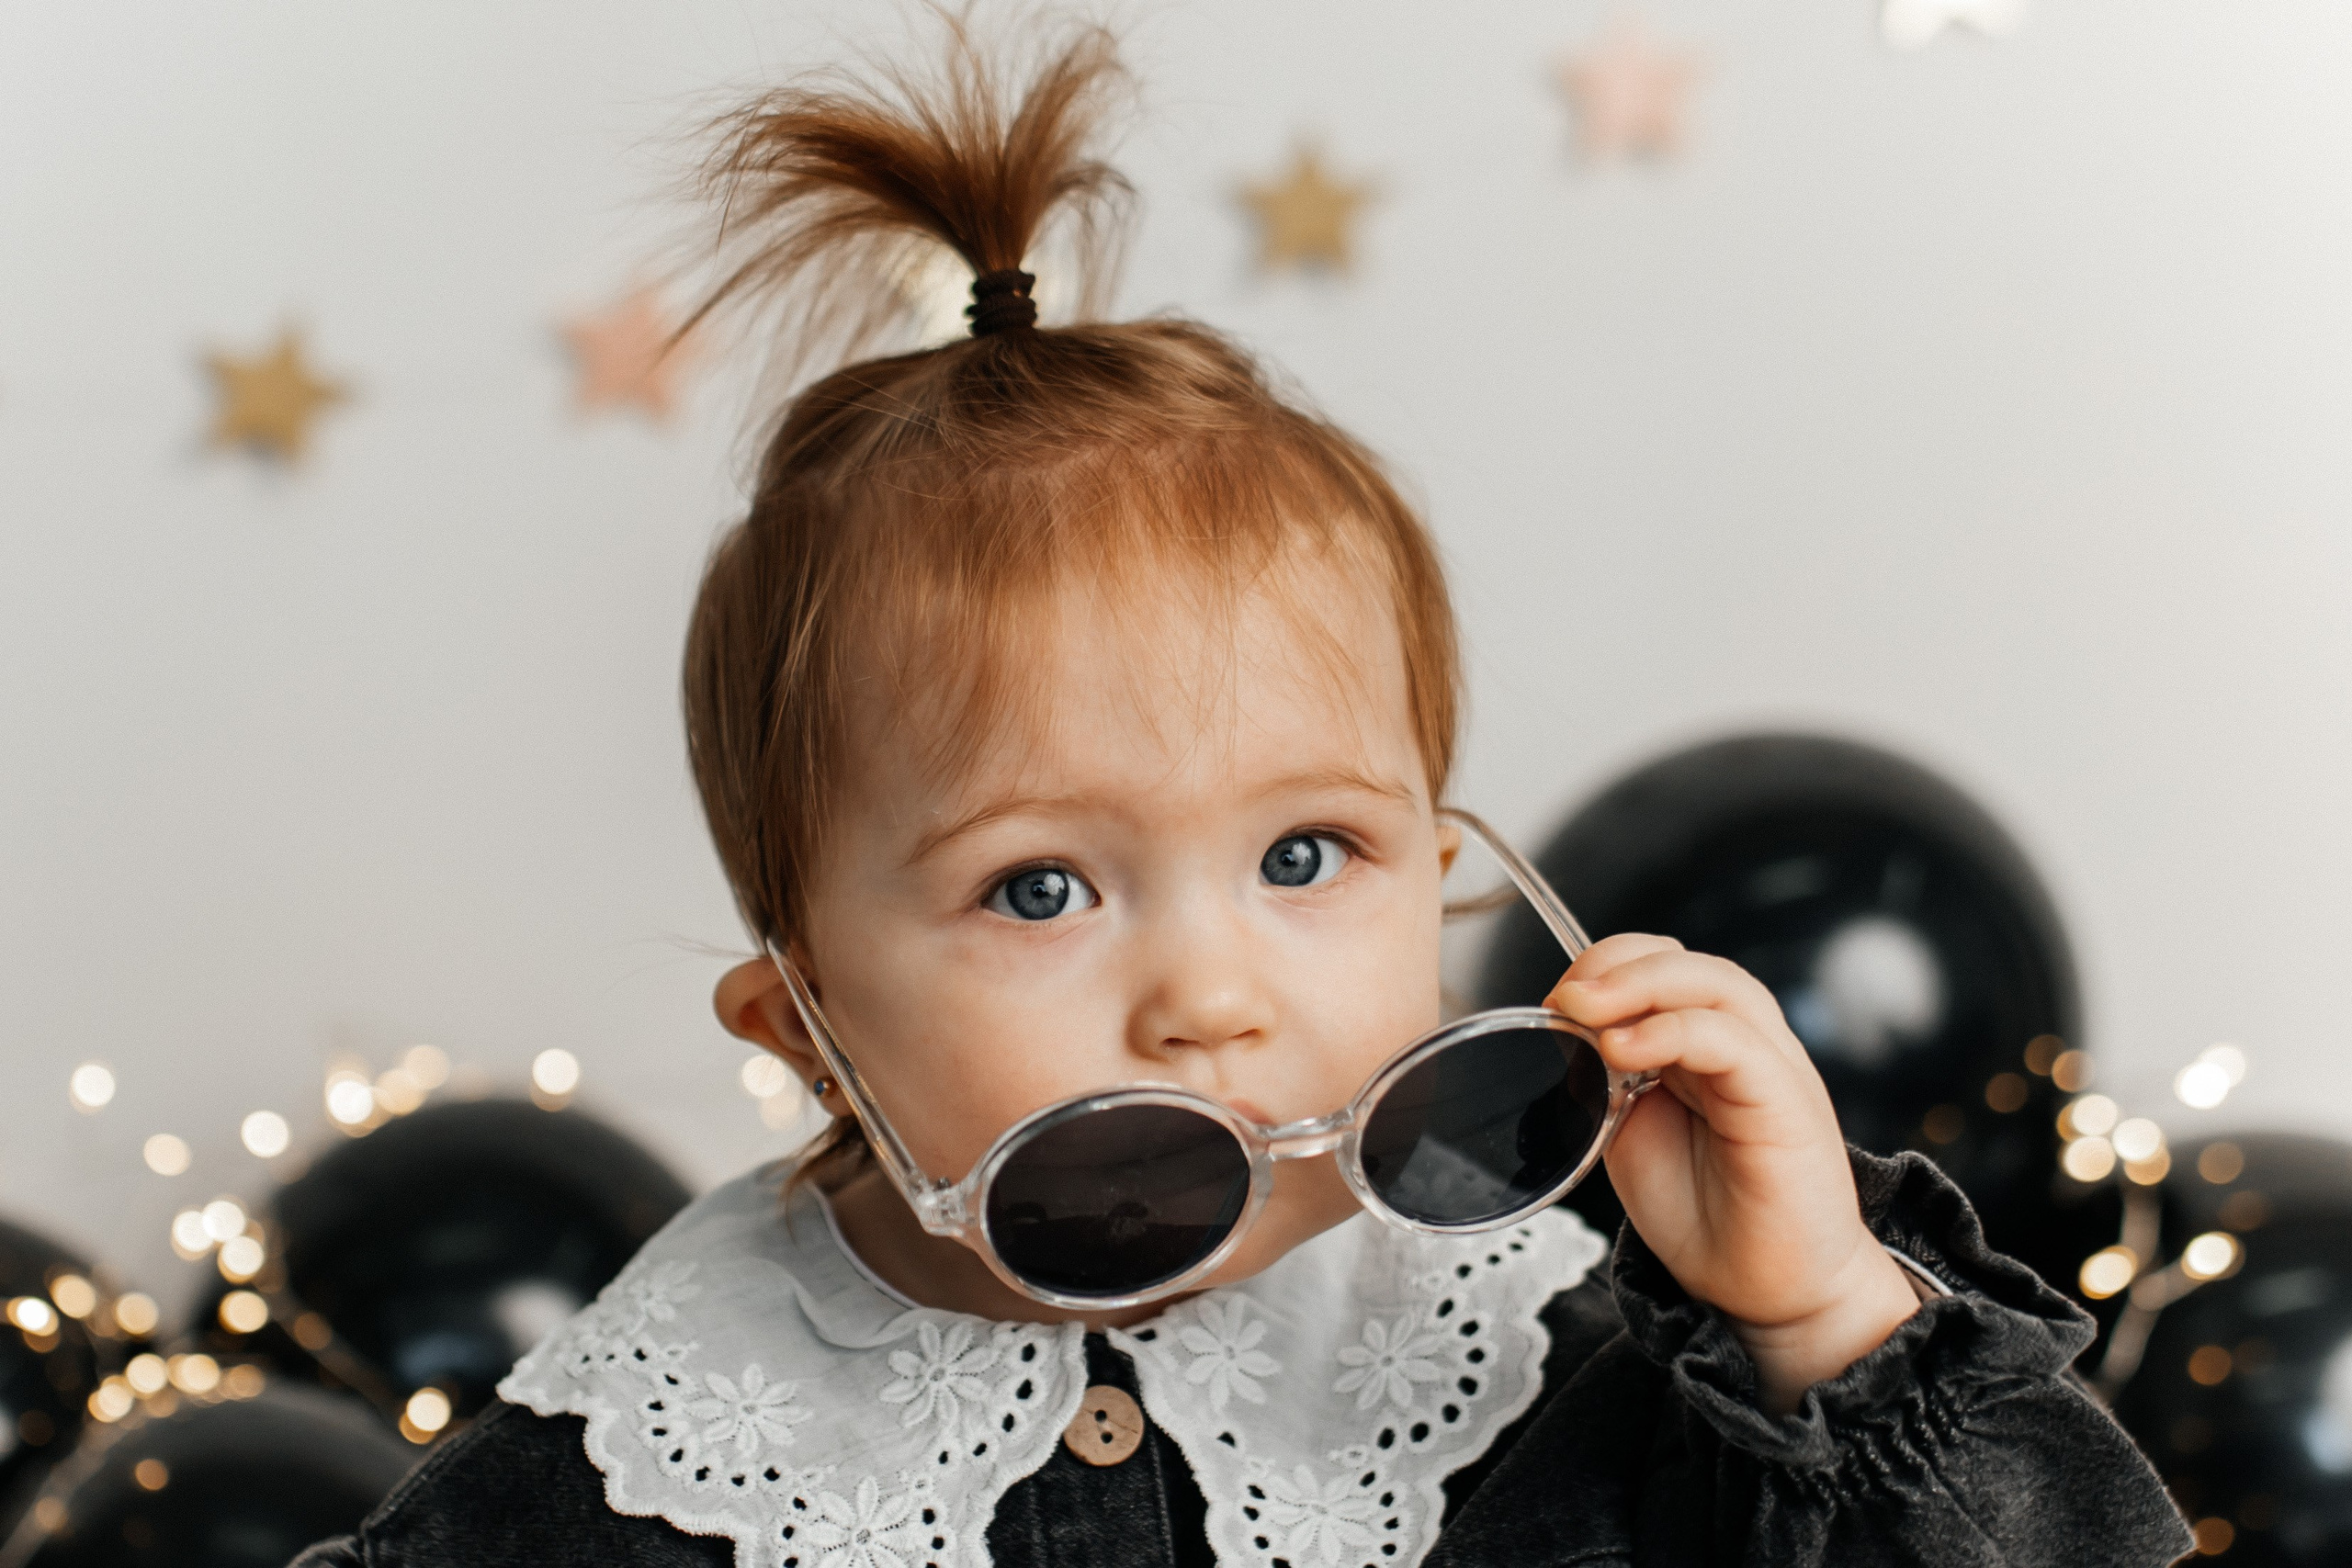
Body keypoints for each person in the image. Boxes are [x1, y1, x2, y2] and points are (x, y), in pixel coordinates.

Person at [295, 14, 2189, 1566]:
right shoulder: (654, 1456)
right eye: (1040, 885)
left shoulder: (1554, 1344)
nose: (1213, 993)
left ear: (1452, 873)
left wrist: (1822, 1318)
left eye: (1306, 851)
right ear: (810, 1031)